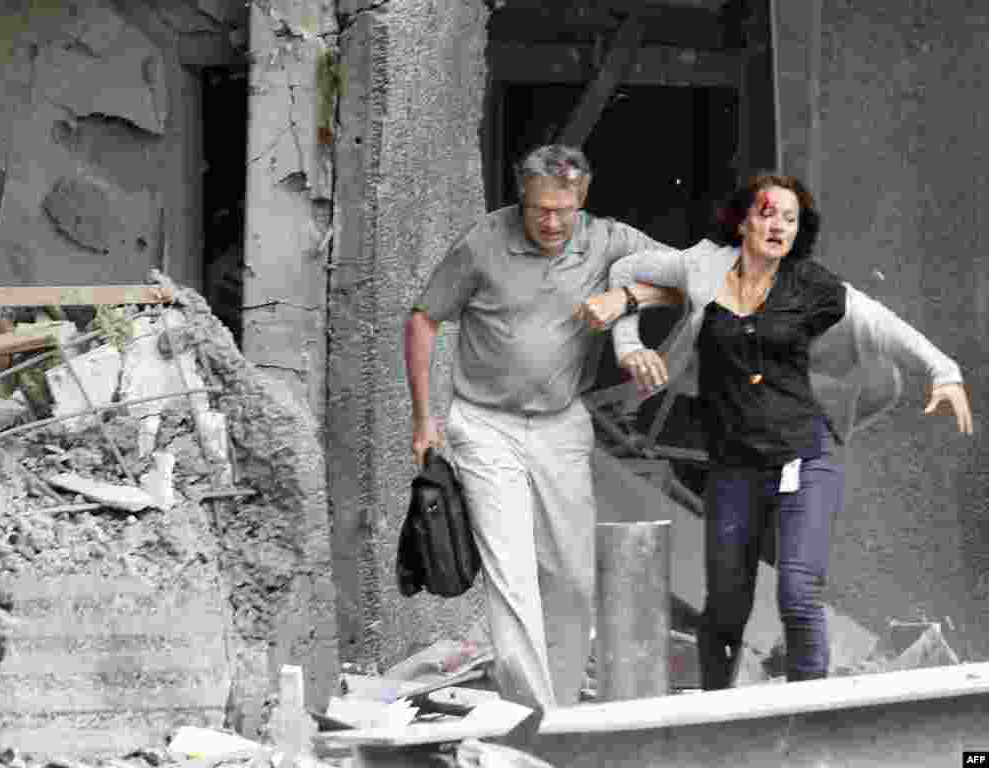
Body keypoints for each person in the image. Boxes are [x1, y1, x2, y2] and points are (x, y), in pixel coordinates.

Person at [576, 173, 973, 688]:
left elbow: (884, 325)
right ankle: (717, 721)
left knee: (799, 594)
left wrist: (945, 372)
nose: (778, 225)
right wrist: (629, 347)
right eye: (768, 213)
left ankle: (811, 723)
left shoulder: (814, 286)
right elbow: (626, 270)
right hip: (736, 462)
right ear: (743, 221)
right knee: (725, 606)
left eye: (790, 219)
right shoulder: (703, 266)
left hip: (805, 455)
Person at [405, 145, 680, 708]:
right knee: (513, 579)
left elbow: (692, 278)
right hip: (485, 426)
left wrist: (627, 296)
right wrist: (423, 417)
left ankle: (560, 708)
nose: (551, 223)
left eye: (563, 210)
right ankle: (535, 717)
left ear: (583, 198)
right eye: (538, 210)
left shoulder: (606, 240)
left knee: (573, 580)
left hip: (562, 425)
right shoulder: (483, 243)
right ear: (520, 200)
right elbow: (423, 319)